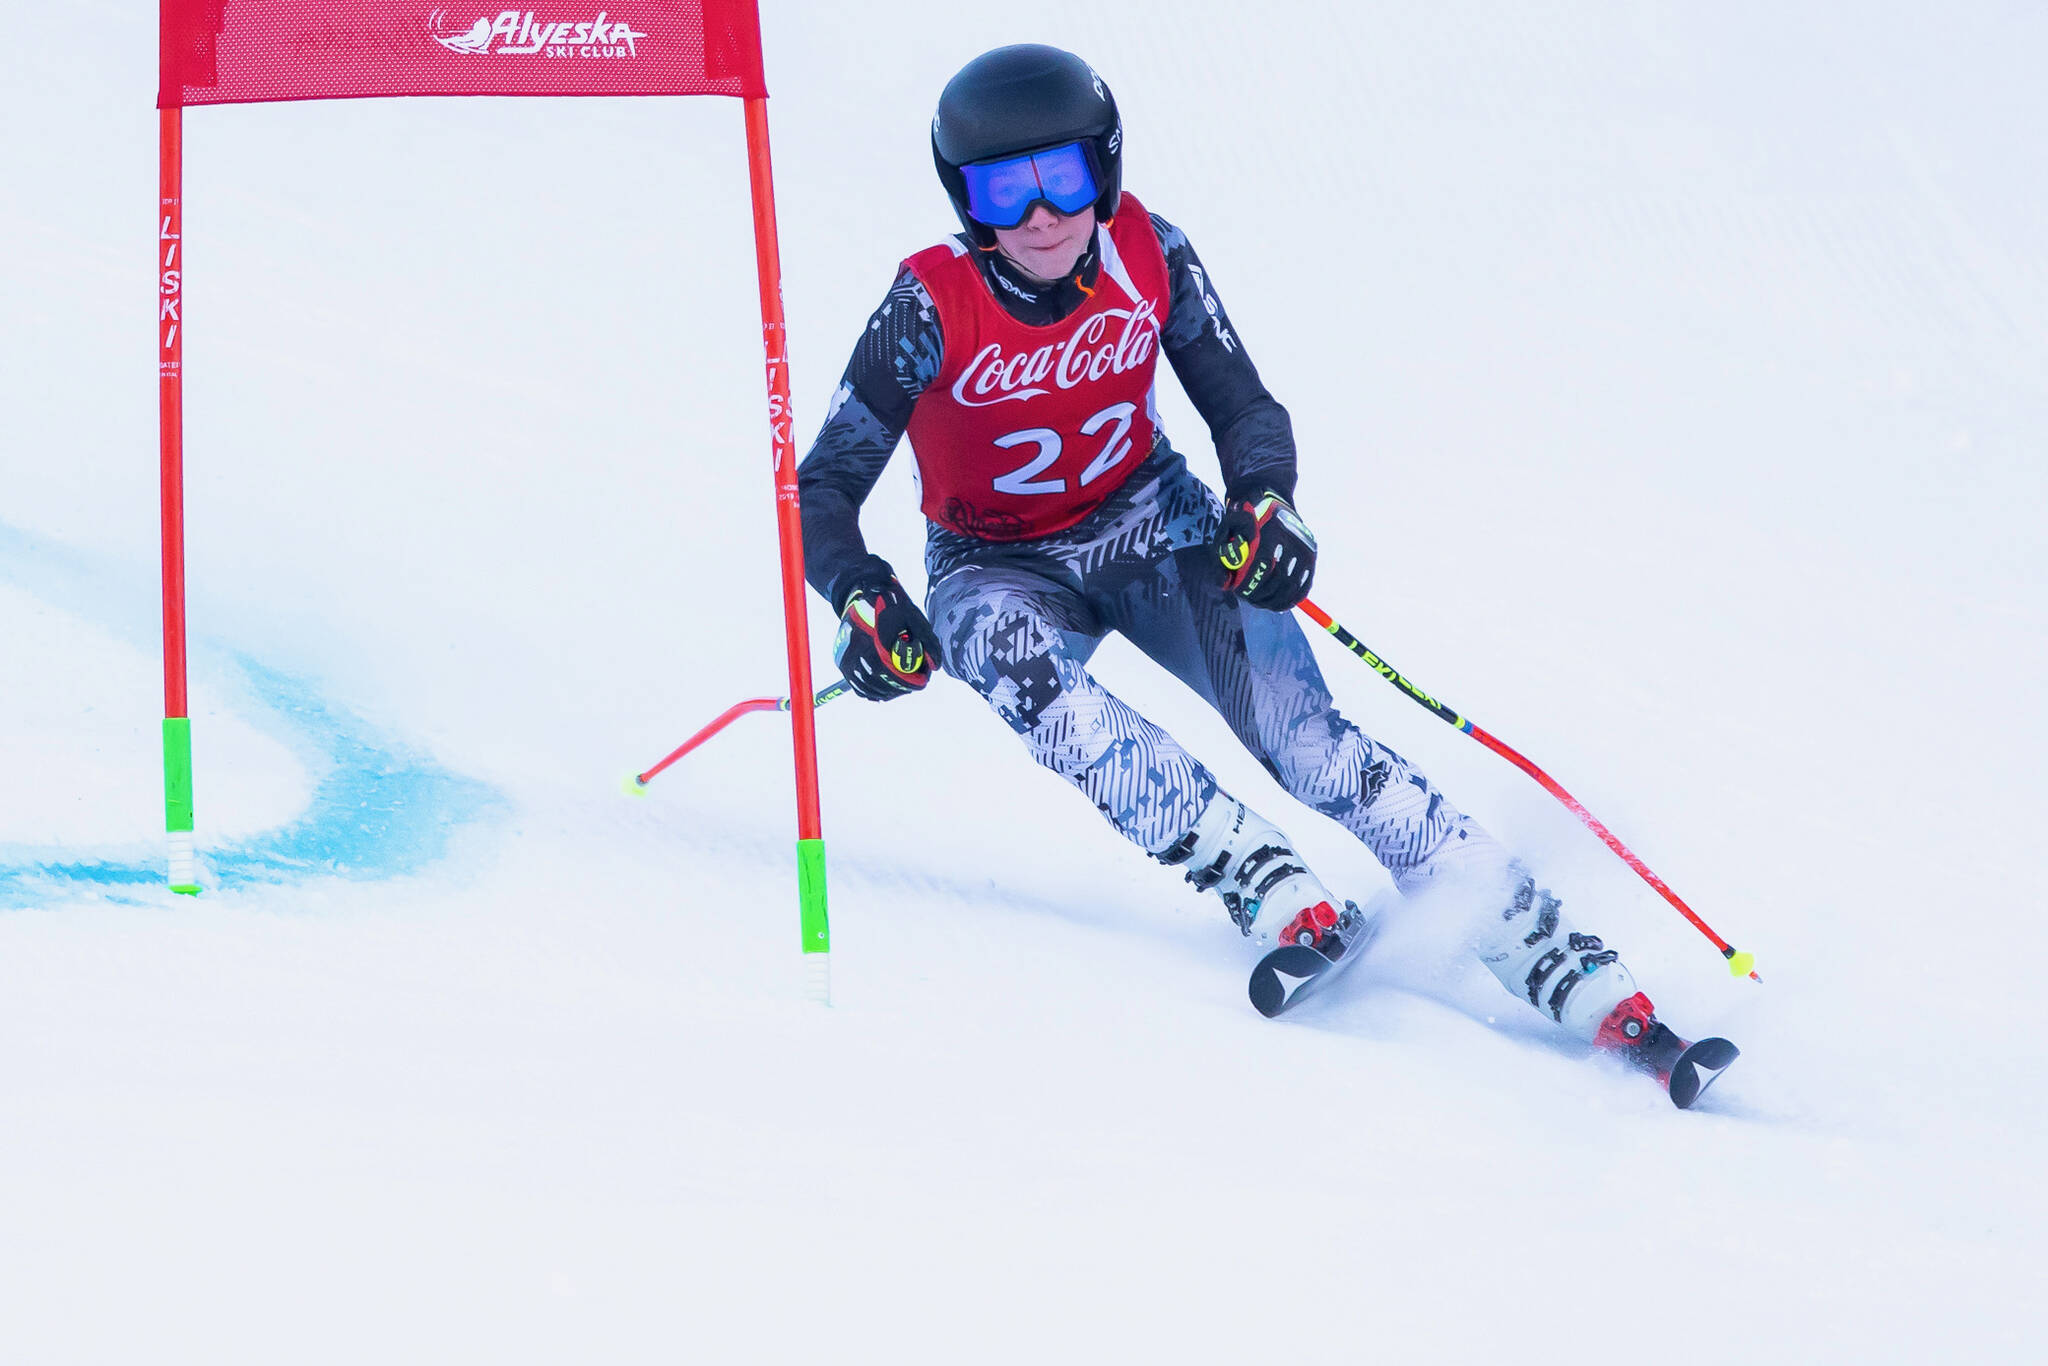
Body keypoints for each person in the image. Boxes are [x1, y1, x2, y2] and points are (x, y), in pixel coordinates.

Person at [797, 44, 1721, 1096]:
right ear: (962, 199)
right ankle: (1256, 876)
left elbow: (1240, 407)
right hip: (992, 561)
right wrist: (862, 594)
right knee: (1010, 664)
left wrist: (1265, 501)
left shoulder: (1151, 252)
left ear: (1101, 166)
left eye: (1060, 175)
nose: (1040, 214)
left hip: (1154, 523)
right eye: (1001, 189)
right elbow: (823, 485)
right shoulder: (928, 304)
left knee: (1306, 742)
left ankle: (1547, 947)